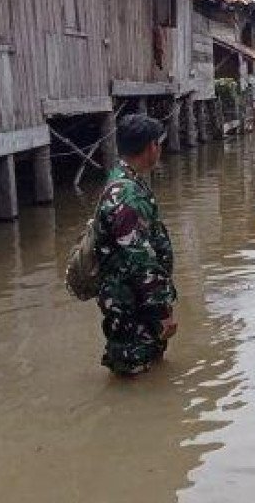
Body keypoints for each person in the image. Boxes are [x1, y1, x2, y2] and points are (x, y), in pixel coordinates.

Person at [94, 114, 177, 376]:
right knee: (135, 371)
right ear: (152, 146)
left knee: (146, 367)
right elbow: (139, 259)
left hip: (132, 299)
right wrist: (161, 309)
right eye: (159, 143)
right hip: (132, 301)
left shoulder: (123, 179)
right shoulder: (127, 194)